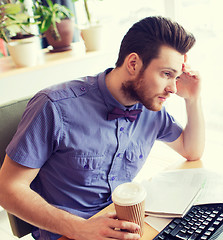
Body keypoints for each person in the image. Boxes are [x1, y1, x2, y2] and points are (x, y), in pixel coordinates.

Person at [0, 16, 204, 240]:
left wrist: (192, 99)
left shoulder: (149, 108)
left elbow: (191, 150)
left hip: (124, 225)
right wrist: (80, 228)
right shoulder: (54, 107)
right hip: (68, 233)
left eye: (176, 77)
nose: (173, 88)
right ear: (133, 63)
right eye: (166, 74)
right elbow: (7, 189)